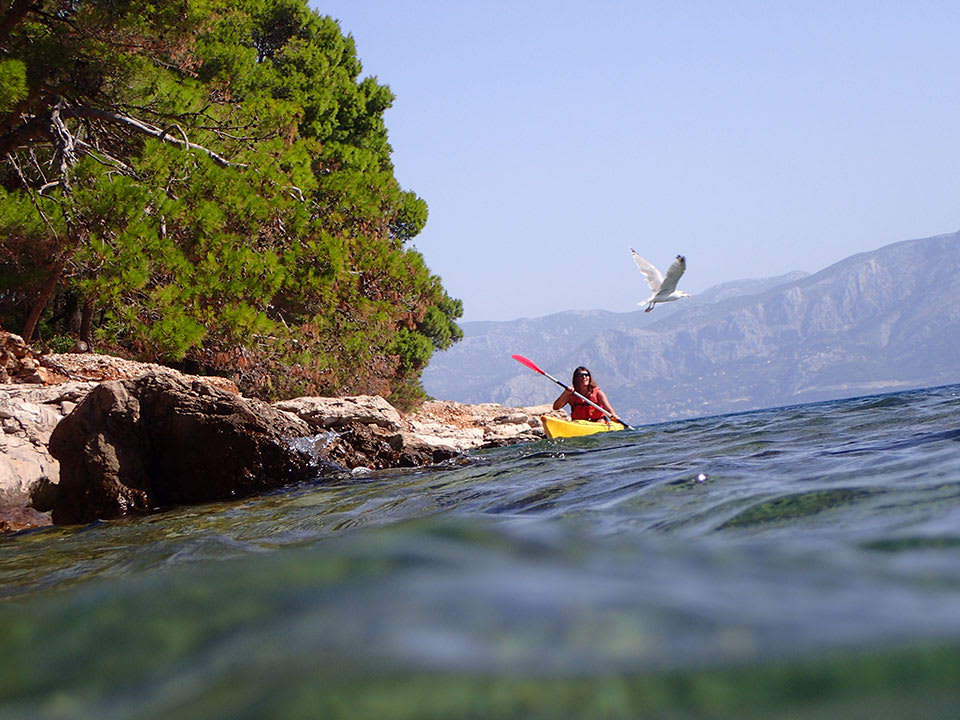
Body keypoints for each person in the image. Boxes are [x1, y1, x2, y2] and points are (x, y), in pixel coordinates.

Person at [552, 366, 622, 423]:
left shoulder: (598, 393)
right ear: (576, 379)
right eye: (581, 375)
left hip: (597, 421)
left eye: (586, 375)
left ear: (589, 378)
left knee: (600, 422)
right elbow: (556, 407)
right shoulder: (571, 394)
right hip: (580, 423)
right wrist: (565, 393)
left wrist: (614, 416)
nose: (584, 377)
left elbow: (609, 409)